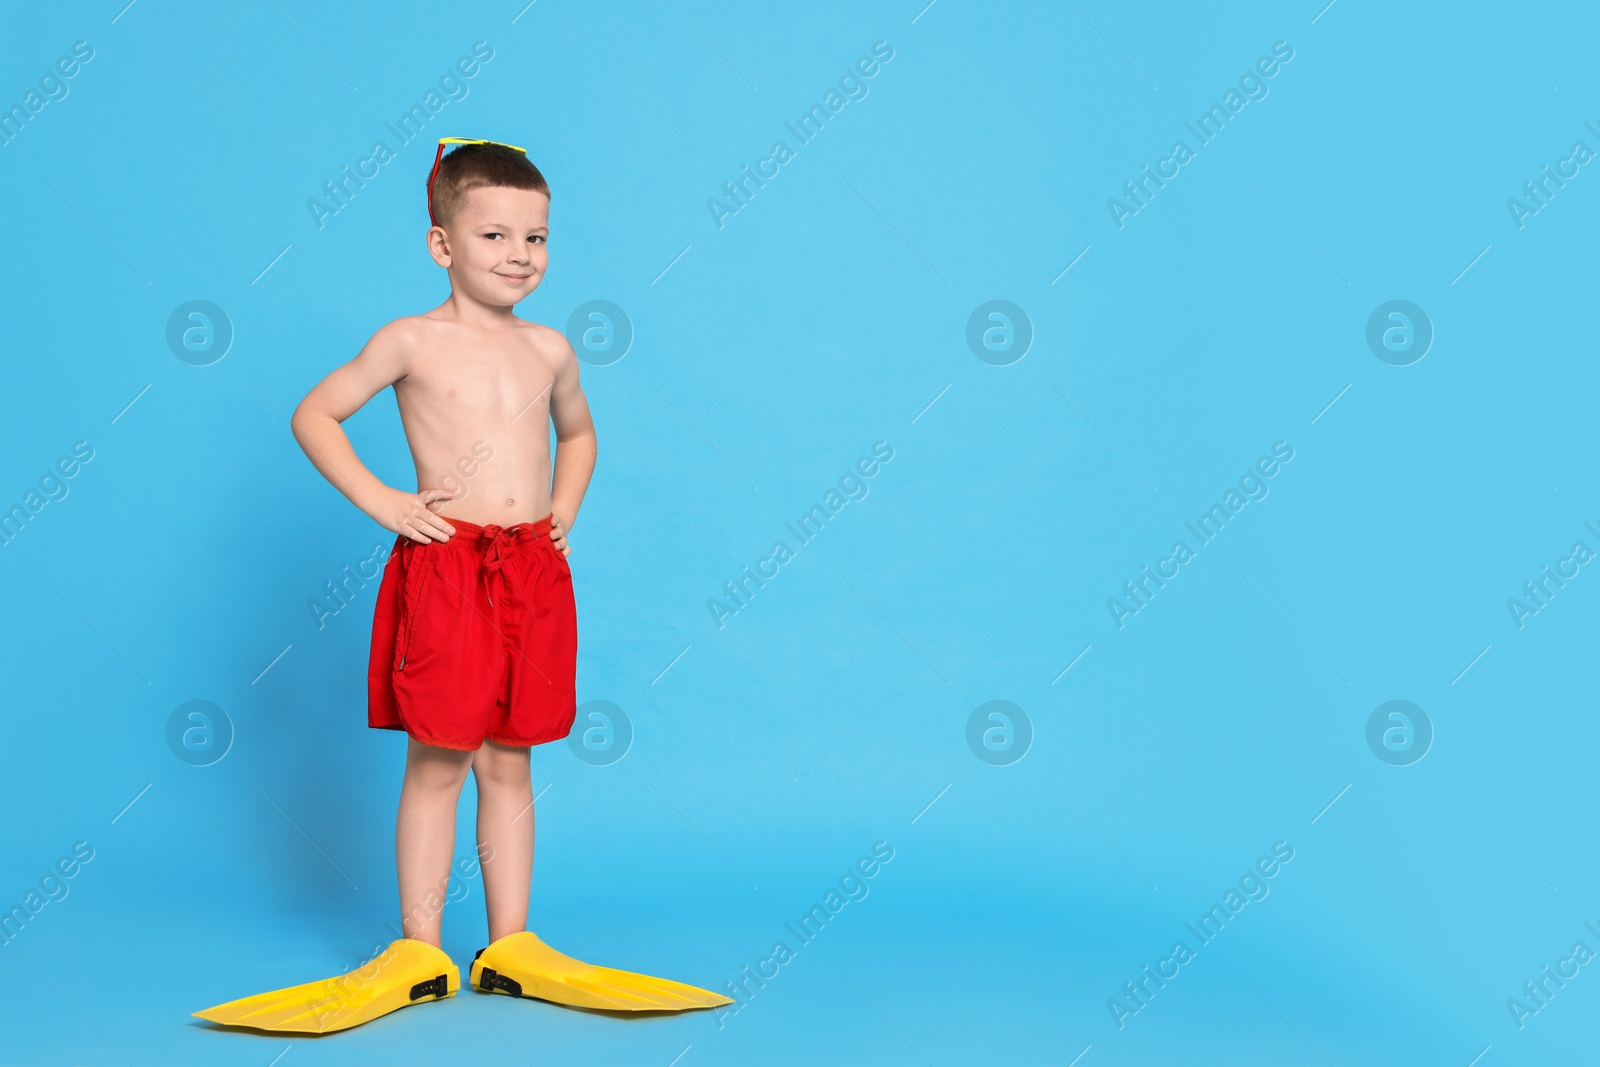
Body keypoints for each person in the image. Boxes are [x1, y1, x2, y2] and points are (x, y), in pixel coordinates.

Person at [194, 138, 730, 1033]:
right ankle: (421, 949)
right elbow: (315, 413)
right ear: (443, 244)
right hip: (448, 565)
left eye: (536, 237)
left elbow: (582, 435)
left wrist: (563, 507)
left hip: (530, 566)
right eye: (493, 235)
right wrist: (386, 502)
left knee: (511, 756)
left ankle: (510, 944)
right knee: (440, 755)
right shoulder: (412, 339)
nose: (519, 254)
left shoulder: (552, 348)